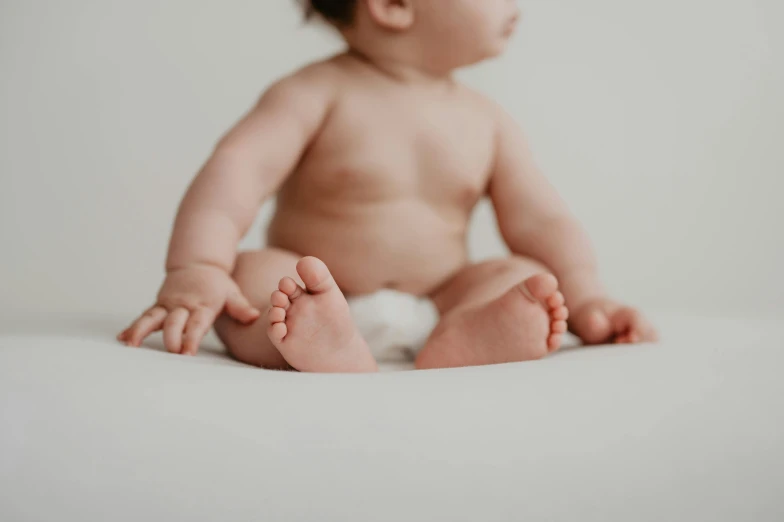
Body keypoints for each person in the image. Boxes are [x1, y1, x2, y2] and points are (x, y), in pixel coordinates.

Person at [118, 0, 657, 372]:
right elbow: (237, 169)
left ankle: (466, 339)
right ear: (394, 4)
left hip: (443, 298)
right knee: (250, 277)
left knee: (525, 279)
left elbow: (542, 220)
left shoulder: (487, 120)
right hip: (318, 294)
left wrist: (586, 295)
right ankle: (318, 343)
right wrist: (199, 268)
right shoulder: (315, 93)